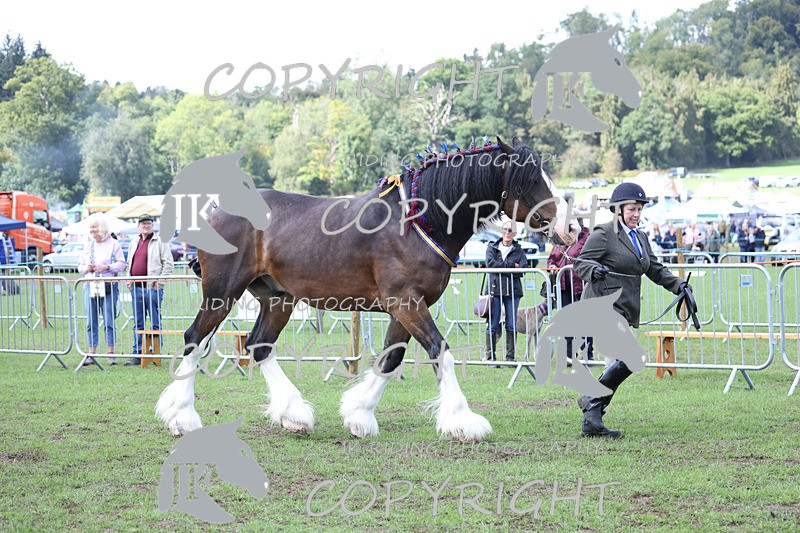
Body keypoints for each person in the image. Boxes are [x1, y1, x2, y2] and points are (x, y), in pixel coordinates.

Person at [574, 183, 690, 438]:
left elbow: (654, 269)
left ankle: (592, 415)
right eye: (631, 209)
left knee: (615, 365)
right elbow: (581, 263)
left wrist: (679, 285)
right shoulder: (604, 233)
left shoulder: (640, 237)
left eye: (639, 209)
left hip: (624, 309)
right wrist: (593, 270)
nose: (636, 214)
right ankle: (591, 404)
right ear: (618, 210)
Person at [533, 219, 593, 361]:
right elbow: (552, 258)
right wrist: (552, 266)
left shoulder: (587, 238)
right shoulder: (560, 237)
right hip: (564, 286)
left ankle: (587, 354)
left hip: (581, 286)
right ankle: (568, 354)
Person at [124, 213, 174, 366]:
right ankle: (137, 353)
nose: (146, 226)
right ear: (139, 226)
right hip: (136, 287)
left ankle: (155, 352)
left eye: (149, 223)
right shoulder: (134, 242)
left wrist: (158, 283)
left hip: (152, 288)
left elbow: (168, 264)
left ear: (152, 225)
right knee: (138, 322)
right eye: (143, 223)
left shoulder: (160, 241)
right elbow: (129, 263)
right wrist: (129, 280)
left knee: (154, 321)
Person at [77, 217, 127, 365]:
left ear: (103, 228)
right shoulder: (88, 246)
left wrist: (107, 267)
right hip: (90, 285)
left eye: (95, 227)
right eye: (91, 228)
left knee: (108, 319)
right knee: (91, 320)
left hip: (108, 285)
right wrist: (86, 268)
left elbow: (122, 264)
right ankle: (91, 353)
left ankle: (110, 352)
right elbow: (79, 266)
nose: (92, 230)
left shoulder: (113, 244)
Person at [483, 220, 526, 364]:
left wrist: (505, 269)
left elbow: (522, 269)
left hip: (513, 291)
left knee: (511, 324)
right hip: (495, 290)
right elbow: (490, 264)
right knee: (493, 323)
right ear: (501, 231)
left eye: (510, 230)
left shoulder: (519, 249)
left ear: (514, 233)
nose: (507, 233)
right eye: (505, 229)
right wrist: (511, 266)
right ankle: (490, 357)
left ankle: (510, 358)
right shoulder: (492, 247)